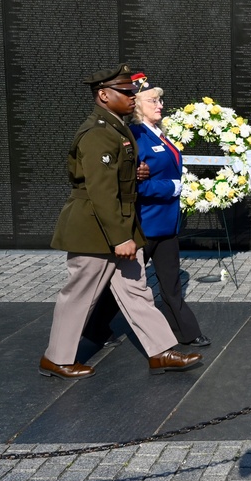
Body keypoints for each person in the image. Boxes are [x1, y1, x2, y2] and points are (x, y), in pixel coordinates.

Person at [40, 64, 203, 379]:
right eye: (126, 92)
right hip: (96, 230)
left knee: (136, 290)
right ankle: (56, 358)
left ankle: (160, 351)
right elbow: (101, 191)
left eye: (132, 92)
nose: (132, 97)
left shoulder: (116, 129)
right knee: (80, 293)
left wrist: (135, 173)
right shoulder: (97, 133)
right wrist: (120, 238)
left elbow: (116, 174)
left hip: (120, 227)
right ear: (104, 95)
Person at [85, 80, 211, 348]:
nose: (160, 104)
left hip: (166, 224)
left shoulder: (159, 133)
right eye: (153, 100)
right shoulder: (135, 136)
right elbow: (134, 184)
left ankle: (187, 332)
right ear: (138, 106)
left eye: (160, 99)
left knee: (170, 282)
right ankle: (94, 328)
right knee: (126, 283)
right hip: (144, 225)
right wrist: (173, 187)